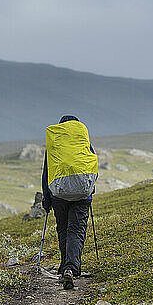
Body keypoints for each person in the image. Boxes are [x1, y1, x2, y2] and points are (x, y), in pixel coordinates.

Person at [41, 115, 98, 290]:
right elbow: (91, 165)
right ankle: (71, 268)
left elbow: (47, 172)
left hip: (59, 194)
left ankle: (65, 266)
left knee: (63, 229)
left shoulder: (55, 145)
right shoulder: (83, 142)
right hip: (82, 195)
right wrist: (91, 188)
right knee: (76, 230)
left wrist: (46, 198)